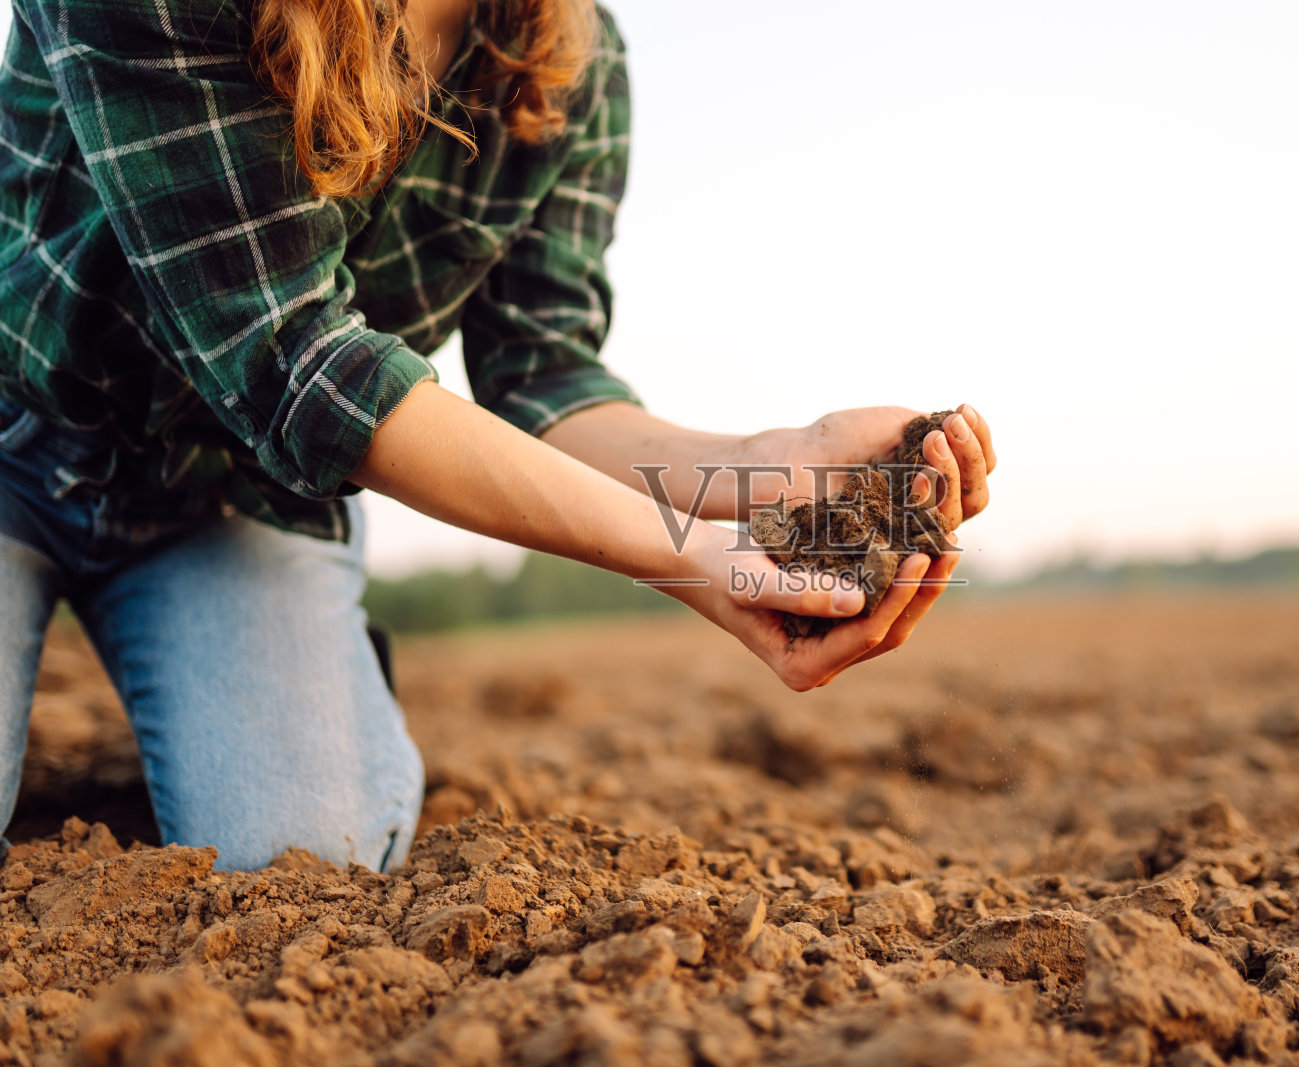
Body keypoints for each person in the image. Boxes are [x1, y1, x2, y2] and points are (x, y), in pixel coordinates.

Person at [0, 0, 998, 872]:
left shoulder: (572, 57)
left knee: (301, 854)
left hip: (238, 498)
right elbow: (297, 360)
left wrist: (763, 466)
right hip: (15, 429)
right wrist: (693, 558)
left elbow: (545, 381)